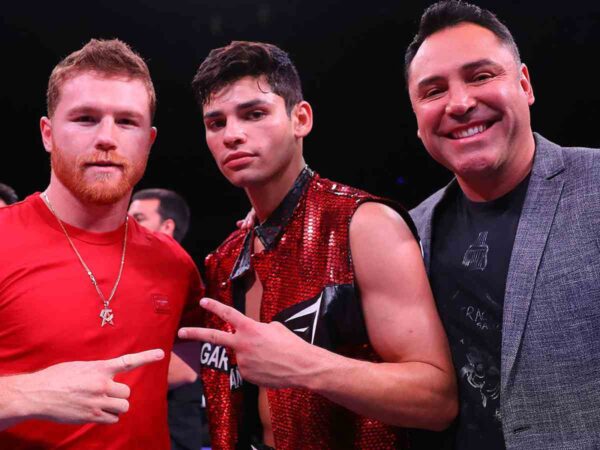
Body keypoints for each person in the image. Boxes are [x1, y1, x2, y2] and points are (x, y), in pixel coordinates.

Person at [178, 41, 457, 450]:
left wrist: (306, 366)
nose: (233, 135)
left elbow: (438, 398)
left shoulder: (364, 224)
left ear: (300, 119)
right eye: (216, 123)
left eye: (254, 114)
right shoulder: (225, 260)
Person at [405, 1, 600, 449]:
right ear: (416, 120)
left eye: (480, 76)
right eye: (433, 91)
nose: (460, 102)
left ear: (524, 84)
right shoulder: (410, 232)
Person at [0, 39, 203, 449]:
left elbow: (202, 361)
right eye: (86, 118)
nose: (107, 138)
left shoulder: (175, 264)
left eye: (127, 122)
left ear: (148, 140)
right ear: (47, 133)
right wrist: (21, 395)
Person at [129, 188, 209, 450]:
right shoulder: (127, 279)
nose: (127, 225)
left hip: (170, 432)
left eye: (138, 218)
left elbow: (183, 370)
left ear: (167, 226)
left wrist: (92, 385)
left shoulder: (182, 280)